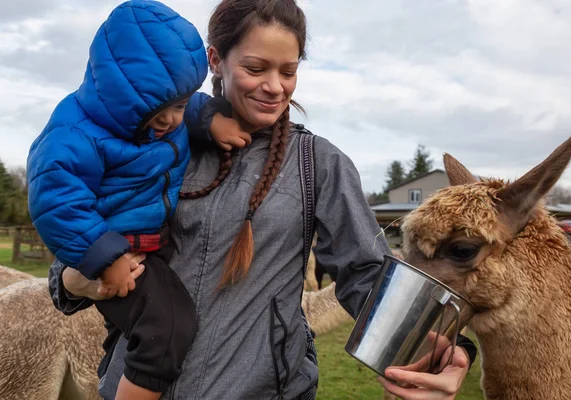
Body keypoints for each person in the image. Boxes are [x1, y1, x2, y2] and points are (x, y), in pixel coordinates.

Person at [48, 0, 478, 399]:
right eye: (255, 68)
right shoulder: (155, 140)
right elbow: (75, 248)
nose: (274, 87)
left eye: (288, 71)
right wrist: (75, 279)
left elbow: (367, 276)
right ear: (216, 60)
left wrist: (446, 349)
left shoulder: (319, 163)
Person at [27, 1, 249, 399]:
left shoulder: (168, 118)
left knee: (154, 329)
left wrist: (209, 118)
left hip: (152, 243)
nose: (172, 122)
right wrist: (105, 258)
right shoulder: (75, 134)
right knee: (165, 330)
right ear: (117, 96)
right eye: (158, 111)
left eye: (179, 106)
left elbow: (190, 105)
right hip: (121, 251)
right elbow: (57, 202)